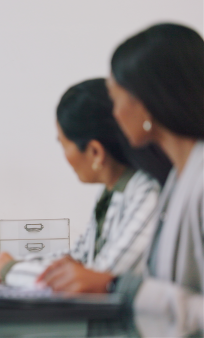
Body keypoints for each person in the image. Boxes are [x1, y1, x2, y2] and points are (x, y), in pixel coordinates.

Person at [0, 78, 171, 290]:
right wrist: (3, 263)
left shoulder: (148, 194)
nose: (64, 156)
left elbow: (95, 278)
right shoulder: (111, 192)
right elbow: (79, 257)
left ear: (95, 152)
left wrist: (8, 269)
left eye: (64, 145)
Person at [103, 23, 203, 332]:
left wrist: (119, 287)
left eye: (117, 99)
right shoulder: (177, 177)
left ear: (146, 101)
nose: (115, 113)